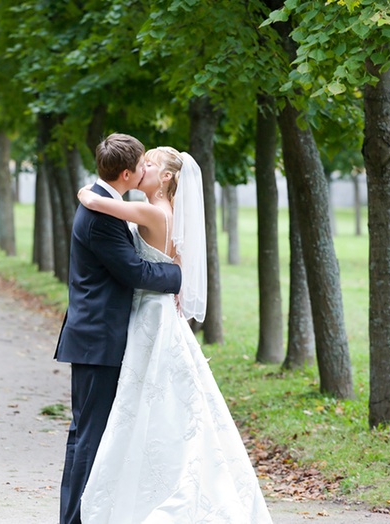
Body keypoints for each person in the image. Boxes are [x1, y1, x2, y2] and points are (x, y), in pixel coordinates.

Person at [77, 147, 274, 523]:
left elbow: (101, 204)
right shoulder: (169, 216)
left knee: (148, 401)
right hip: (159, 312)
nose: (141, 170)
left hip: (150, 315)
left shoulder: (153, 212)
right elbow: (177, 265)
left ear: (167, 178)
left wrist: (87, 193)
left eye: (148, 165)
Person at [54, 134, 183, 524]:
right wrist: (178, 275)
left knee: (93, 432)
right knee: (89, 435)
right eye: (143, 164)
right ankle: (74, 517)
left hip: (104, 334)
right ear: (127, 173)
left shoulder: (104, 201)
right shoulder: (102, 215)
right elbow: (134, 271)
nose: (147, 168)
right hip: (97, 338)